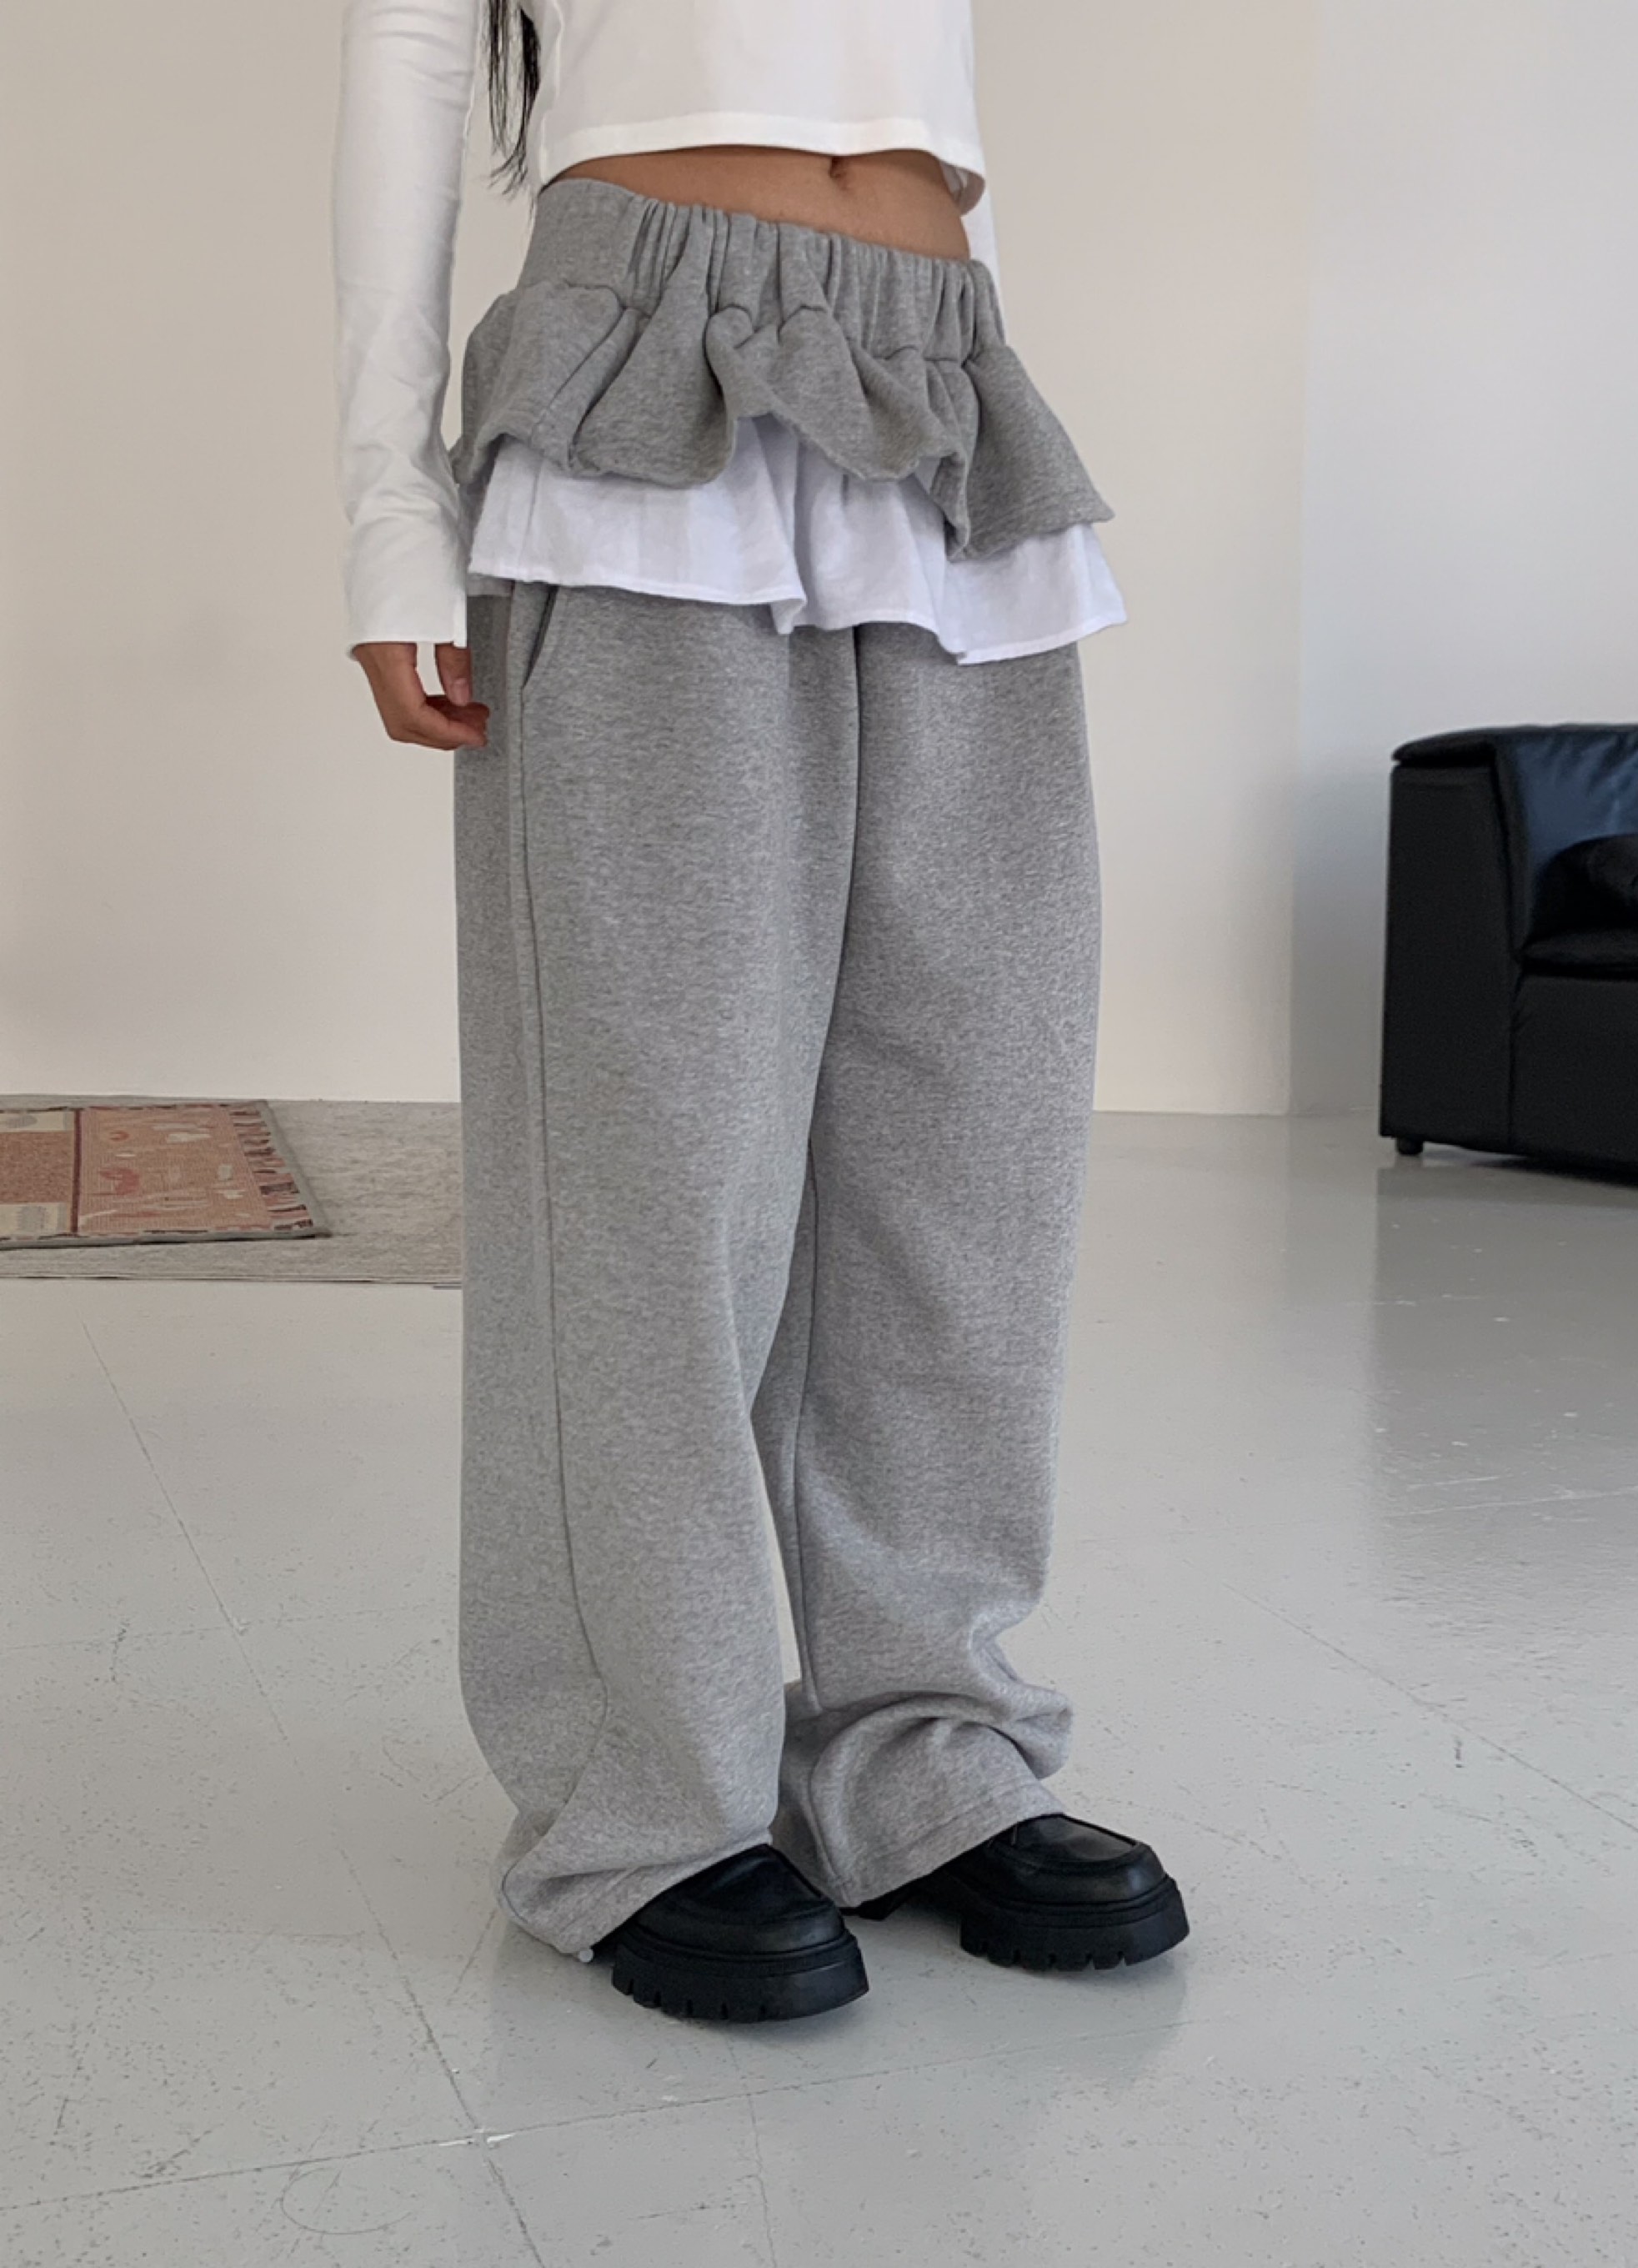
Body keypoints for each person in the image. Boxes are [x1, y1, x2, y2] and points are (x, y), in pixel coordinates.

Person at [333, 0, 1190, 2024]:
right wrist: (390, 514)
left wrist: (972, 345)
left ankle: (921, 1743)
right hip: (640, 360)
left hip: (940, 368)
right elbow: (415, 49)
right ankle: (643, 1789)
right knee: (657, 1145)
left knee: (967, 1136)